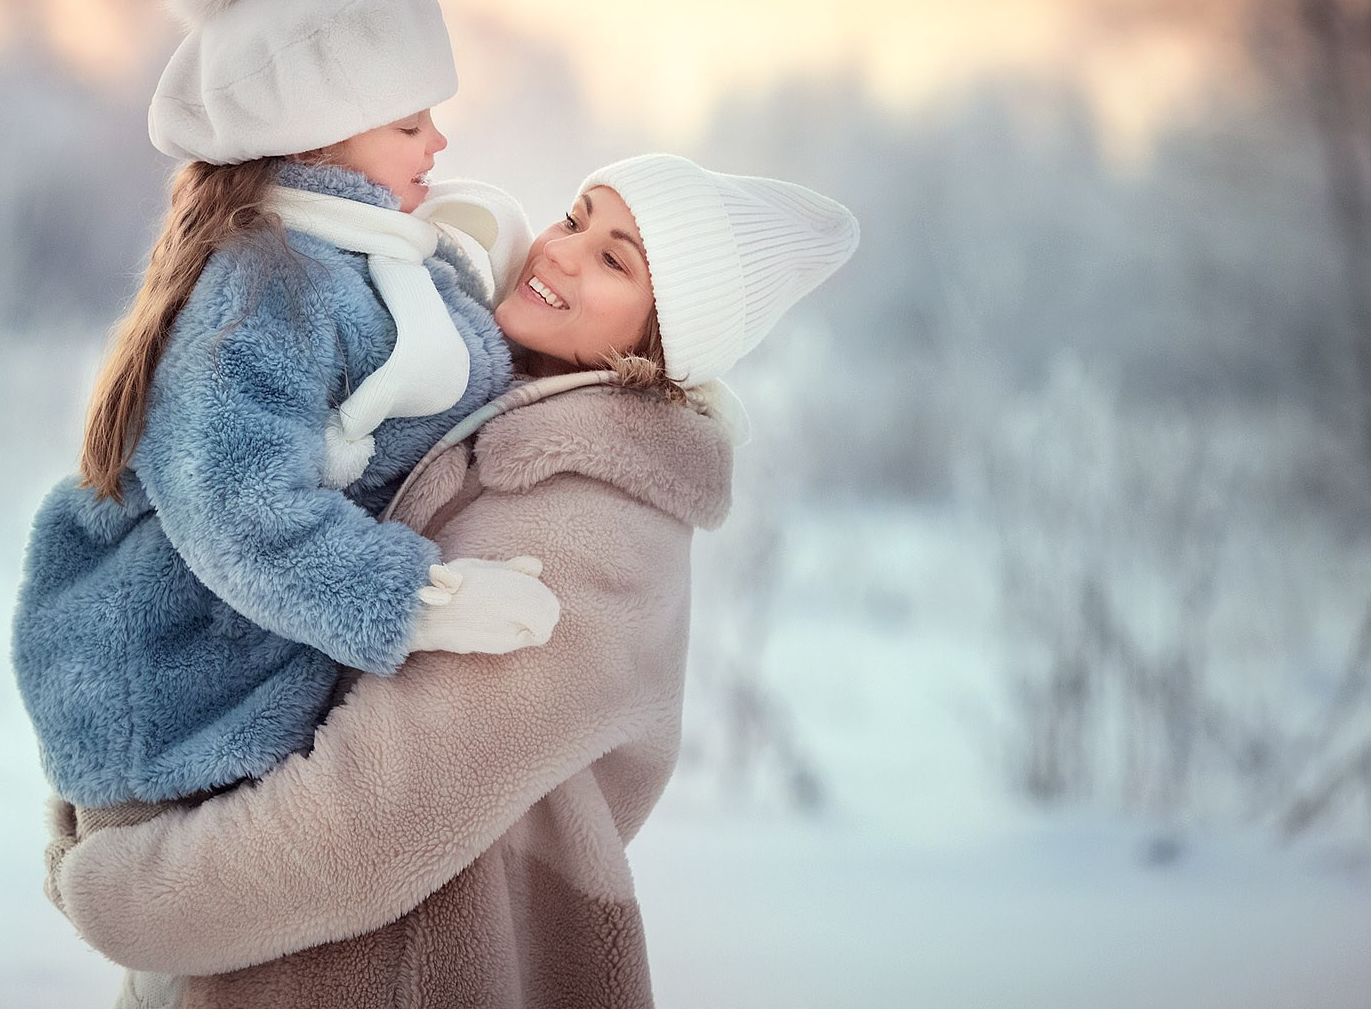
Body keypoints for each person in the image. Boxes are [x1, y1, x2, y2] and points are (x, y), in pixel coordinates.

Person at [44, 153, 860, 1009]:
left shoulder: (594, 520)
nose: (561, 251)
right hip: (298, 950)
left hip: (387, 968)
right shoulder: (482, 418)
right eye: (577, 217)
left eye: (615, 260)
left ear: (665, 338)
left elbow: (377, 811)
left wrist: (131, 892)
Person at [12, 0, 560, 818]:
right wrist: (418, 600)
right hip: (192, 703)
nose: (439, 143)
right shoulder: (269, 284)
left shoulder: (378, 257)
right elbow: (237, 503)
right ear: (317, 137)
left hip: (271, 675)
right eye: (409, 124)